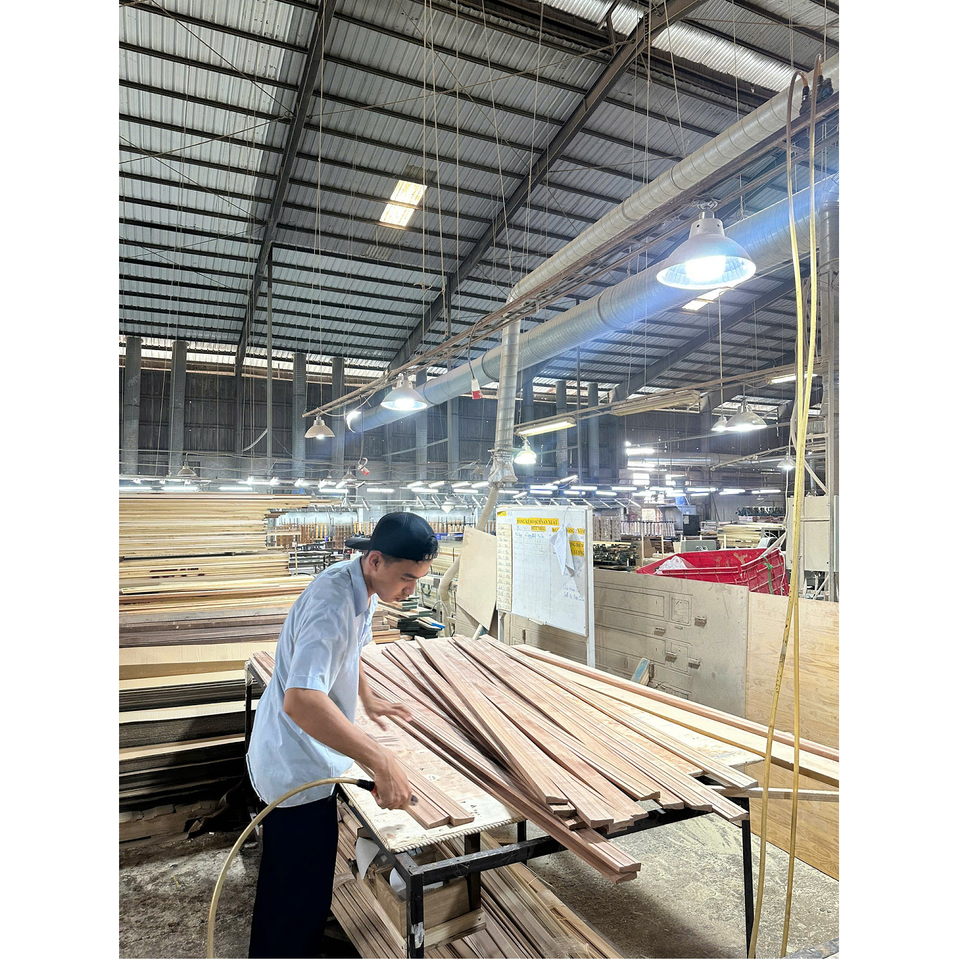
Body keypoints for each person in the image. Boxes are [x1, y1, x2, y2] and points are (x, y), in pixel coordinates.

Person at [246, 511, 439, 958]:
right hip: (295, 768)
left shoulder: (361, 588)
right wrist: (380, 760)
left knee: (299, 883)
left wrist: (368, 699)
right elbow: (301, 701)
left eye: (419, 579)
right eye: (407, 578)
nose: (411, 590)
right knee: (294, 896)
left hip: (310, 756)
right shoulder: (332, 604)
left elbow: (351, 650)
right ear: (375, 560)